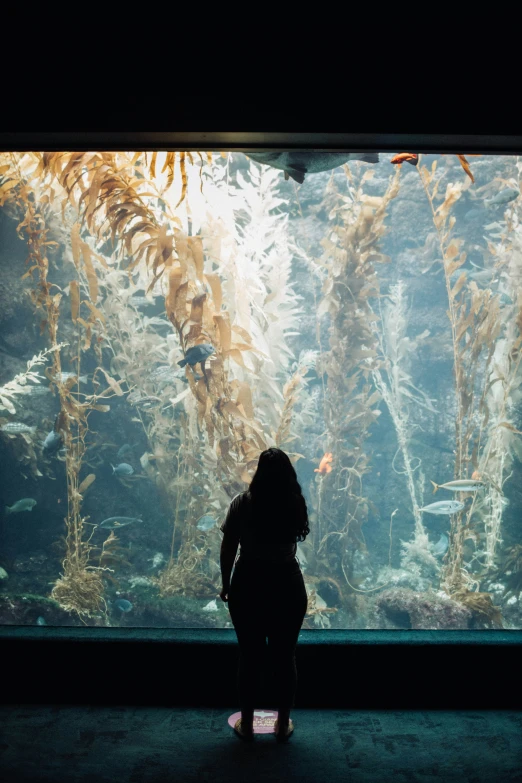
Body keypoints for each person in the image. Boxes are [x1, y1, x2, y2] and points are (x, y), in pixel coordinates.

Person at [219, 447, 310, 742]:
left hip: (249, 582)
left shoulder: (241, 503)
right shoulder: (295, 503)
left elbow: (229, 547)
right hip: (287, 582)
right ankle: (282, 724)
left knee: (250, 656)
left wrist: (225, 583)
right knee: (285, 656)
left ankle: (247, 722)